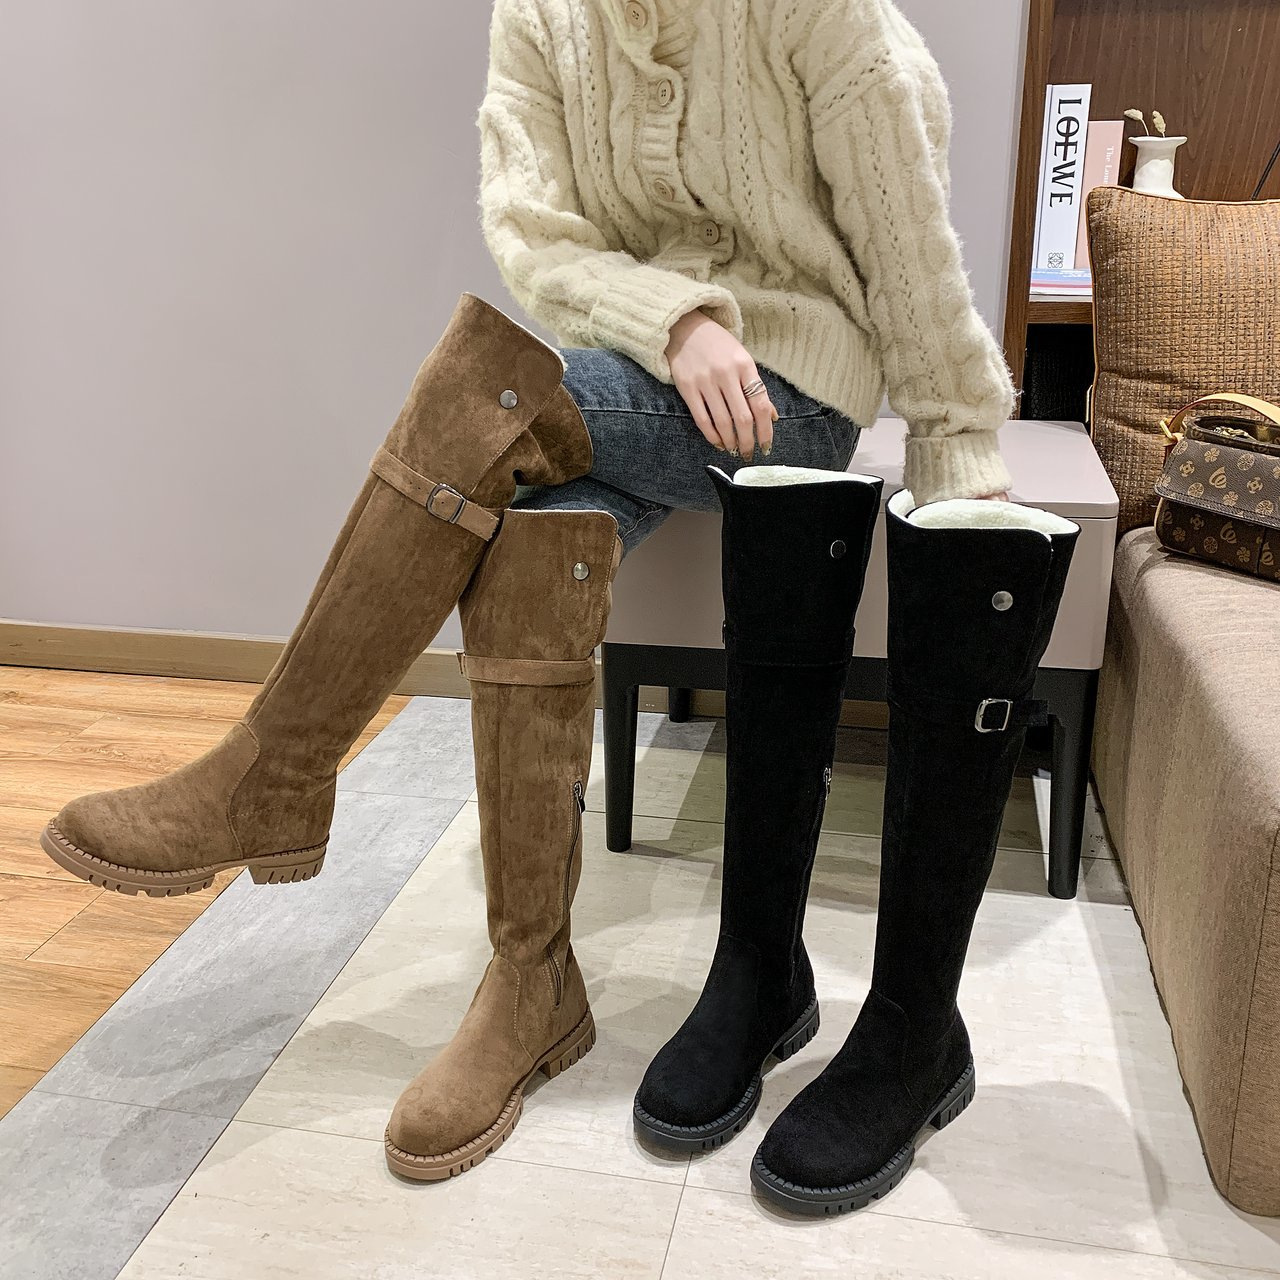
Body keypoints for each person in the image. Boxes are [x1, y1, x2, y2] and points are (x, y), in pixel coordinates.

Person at [39, 0, 1033, 1191]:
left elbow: (903, 225)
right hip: (645, 367)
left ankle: (280, 770)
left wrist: (955, 431)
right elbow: (531, 231)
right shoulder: (539, 15)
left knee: (478, 392)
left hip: (792, 397)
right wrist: (674, 322)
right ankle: (531, 982)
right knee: (523, 533)